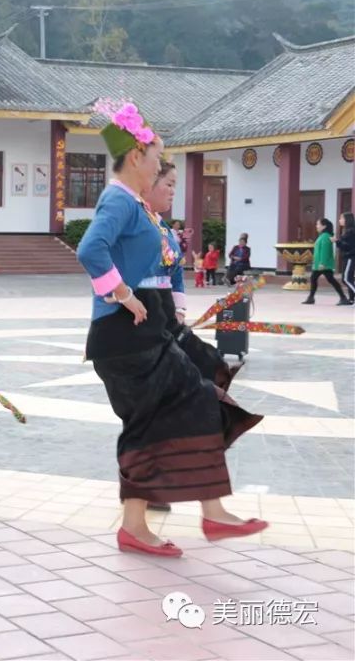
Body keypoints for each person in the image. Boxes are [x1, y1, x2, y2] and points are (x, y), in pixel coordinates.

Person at [77, 101, 266, 558]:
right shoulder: (119, 199)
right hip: (124, 337)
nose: (160, 167)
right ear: (135, 157)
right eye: (156, 158)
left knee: (181, 408)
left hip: (143, 334)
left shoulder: (135, 205)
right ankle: (183, 517)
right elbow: (90, 249)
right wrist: (124, 294)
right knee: (167, 413)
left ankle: (188, 516)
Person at [141, 160, 261, 514]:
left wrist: (178, 308)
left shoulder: (163, 229)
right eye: (168, 184)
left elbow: (176, 271)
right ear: (147, 184)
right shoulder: (138, 226)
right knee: (158, 405)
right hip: (144, 326)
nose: (173, 192)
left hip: (167, 322)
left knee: (201, 379)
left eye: (175, 185)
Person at [303, 217, 347, 305]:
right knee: (316, 278)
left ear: (324, 226)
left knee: (329, 280)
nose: (316, 226)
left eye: (318, 224)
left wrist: (322, 263)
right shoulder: (323, 236)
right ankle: (311, 298)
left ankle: (343, 298)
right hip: (319, 264)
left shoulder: (325, 237)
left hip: (323, 265)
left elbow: (325, 251)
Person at [337, 212, 355, 304]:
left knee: (346, 279)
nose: (339, 220)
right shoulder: (347, 231)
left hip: (350, 258)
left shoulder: (351, 232)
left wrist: (337, 241)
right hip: (347, 257)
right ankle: (351, 299)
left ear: (347, 220)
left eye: (341, 218)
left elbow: (348, 247)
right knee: (349, 279)